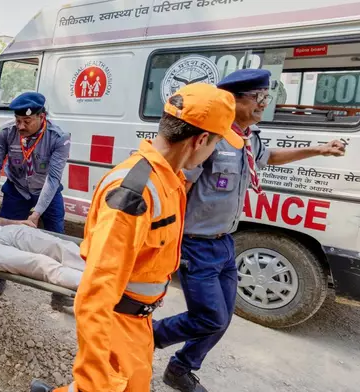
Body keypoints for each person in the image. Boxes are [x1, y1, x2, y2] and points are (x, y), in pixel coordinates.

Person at [30, 83, 243, 392]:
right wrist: (94, 376)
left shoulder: (170, 181)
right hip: (117, 323)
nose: (214, 152)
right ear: (201, 140)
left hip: (138, 323)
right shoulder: (135, 192)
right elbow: (95, 294)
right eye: (217, 144)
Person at [152, 69, 346, 392]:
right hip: (195, 245)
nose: (263, 104)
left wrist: (319, 150)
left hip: (225, 243)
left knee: (223, 318)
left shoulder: (248, 137)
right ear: (234, 100)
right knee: (209, 317)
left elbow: (269, 157)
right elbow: (179, 186)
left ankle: (180, 367)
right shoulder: (211, 136)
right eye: (258, 98)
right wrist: (166, 239)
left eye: (266, 98)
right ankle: (146, 336)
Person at [0, 92, 71, 297]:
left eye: (27, 121)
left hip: (47, 192)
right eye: (18, 120)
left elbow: (53, 179)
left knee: (56, 239)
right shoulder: (6, 132)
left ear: (42, 117)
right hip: (16, 189)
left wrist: (36, 213)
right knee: (6, 235)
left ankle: (59, 292)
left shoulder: (59, 138)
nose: (21, 126)